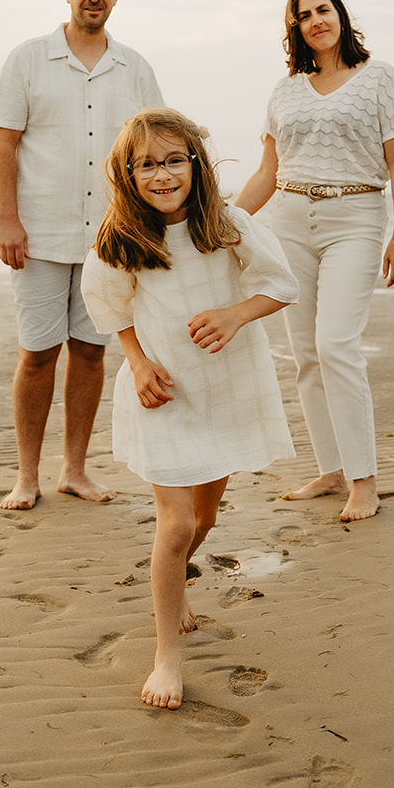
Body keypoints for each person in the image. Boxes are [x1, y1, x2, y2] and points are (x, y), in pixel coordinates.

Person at [81, 108, 297, 710]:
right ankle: (166, 657)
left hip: (225, 390)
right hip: (164, 391)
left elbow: (281, 283)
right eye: (147, 165)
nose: (162, 175)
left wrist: (235, 314)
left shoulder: (227, 225)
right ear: (128, 174)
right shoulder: (122, 240)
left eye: (174, 160)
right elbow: (111, 310)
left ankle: (173, 588)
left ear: (196, 164)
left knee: (203, 521)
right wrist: (137, 363)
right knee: (175, 526)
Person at [235, 0, 394, 523]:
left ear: (340, 15)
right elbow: (268, 172)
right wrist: (225, 221)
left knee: (336, 344)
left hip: (355, 218)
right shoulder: (285, 90)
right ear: (294, 28)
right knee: (306, 352)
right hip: (290, 221)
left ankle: (364, 483)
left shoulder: (379, 78)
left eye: (324, 9)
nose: (316, 20)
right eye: (304, 15)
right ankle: (332, 470)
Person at [0, 0, 163, 511]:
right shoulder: (28, 59)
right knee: (37, 355)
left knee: (90, 353)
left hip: (110, 240)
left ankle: (75, 470)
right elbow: (4, 142)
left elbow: (154, 149)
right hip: (38, 235)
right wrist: (7, 219)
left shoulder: (135, 68)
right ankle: (26, 476)